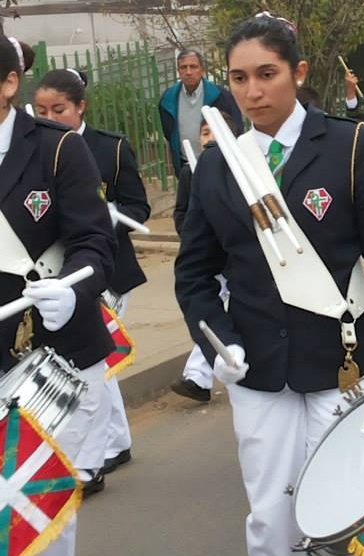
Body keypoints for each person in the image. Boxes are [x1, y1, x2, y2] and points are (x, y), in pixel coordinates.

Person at [173, 14, 364, 556]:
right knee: (270, 512)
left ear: (298, 72)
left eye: (266, 73)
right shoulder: (219, 167)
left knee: (350, 502)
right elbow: (194, 272)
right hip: (258, 361)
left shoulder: (348, 143)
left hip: (345, 354)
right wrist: (216, 341)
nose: (253, 90)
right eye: (239, 78)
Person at [0, 35, 116, 556]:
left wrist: (74, 290)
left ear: (9, 82)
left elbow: (95, 241)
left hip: (55, 357)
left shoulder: (57, 146)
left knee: (40, 523)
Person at [34, 68, 152, 494]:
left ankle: (101, 451)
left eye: (59, 109)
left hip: (106, 269)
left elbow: (139, 208)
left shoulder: (110, 148)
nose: (49, 116)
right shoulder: (34, 151)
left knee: (98, 361)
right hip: (53, 275)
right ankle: (114, 442)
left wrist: (108, 221)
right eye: (42, 109)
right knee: (99, 365)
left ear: (80, 107)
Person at [171, 114, 237, 403]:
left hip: (234, 259)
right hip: (208, 260)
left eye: (215, 131)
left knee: (229, 312)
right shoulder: (191, 173)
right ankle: (197, 377)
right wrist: (194, 237)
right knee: (212, 313)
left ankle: (198, 376)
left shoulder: (240, 166)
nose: (208, 137)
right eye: (205, 132)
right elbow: (182, 212)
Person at [158, 49, 243, 175]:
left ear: (202, 69)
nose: (188, 72)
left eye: (193, 67)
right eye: (183, 67)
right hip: (186, 166)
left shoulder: (221, 97)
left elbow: (237, 131)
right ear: (178, 71)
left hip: (218, 166)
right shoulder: (168, 100)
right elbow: (168, 133)